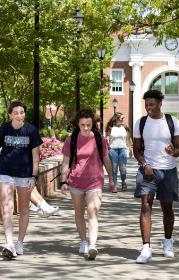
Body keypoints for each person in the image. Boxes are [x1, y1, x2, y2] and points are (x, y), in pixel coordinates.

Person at [0, 101, 43, 259]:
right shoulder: (3, 129)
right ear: (10, 114)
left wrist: (34, 176)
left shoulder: (31, 130)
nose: (19, 115)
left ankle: (19, 242)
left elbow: (36, 156)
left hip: (25, 174)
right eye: (16, 112)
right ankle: (9, 243)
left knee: (24, 210)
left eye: (22, 112)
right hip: (5, 172)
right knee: (7, 208)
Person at [132, 90, 179, 264]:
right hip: (148, 170)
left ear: (160, 103)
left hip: (168, 171)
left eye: (152, 104)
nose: (148, 108)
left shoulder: (172, 122)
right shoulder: (141, 123)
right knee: (145, 206)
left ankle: (168, 241)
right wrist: (145, 165)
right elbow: (136, 149)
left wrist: (173, 152)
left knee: (167, 209)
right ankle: (146, 248)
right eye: (146, 104)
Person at [60, 109, 114, 260]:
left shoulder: (99, 138)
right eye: (82, 125)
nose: (85, 128)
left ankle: (92, 245)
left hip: (95, 180)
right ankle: (83, 241)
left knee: (93, 210)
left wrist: (111, 178)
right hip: (76, 181)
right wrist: (64, 181)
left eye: (88, 125)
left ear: (92, 123)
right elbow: (65, 162)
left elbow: (106, 159)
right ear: (78, 124)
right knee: (79, 213)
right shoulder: (71, 140)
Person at [105, 112, 132, 192]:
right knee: (114, 168)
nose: (123, 120)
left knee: (123, 168)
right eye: (121, 118)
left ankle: (123, 182)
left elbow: (127, 139)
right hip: (113, 149)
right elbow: (106, 140)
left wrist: (130, 148)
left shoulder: (125, 127)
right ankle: (114, 185)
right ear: (116, 119)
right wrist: (107, 149)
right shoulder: (110, 128)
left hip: (123, 149)